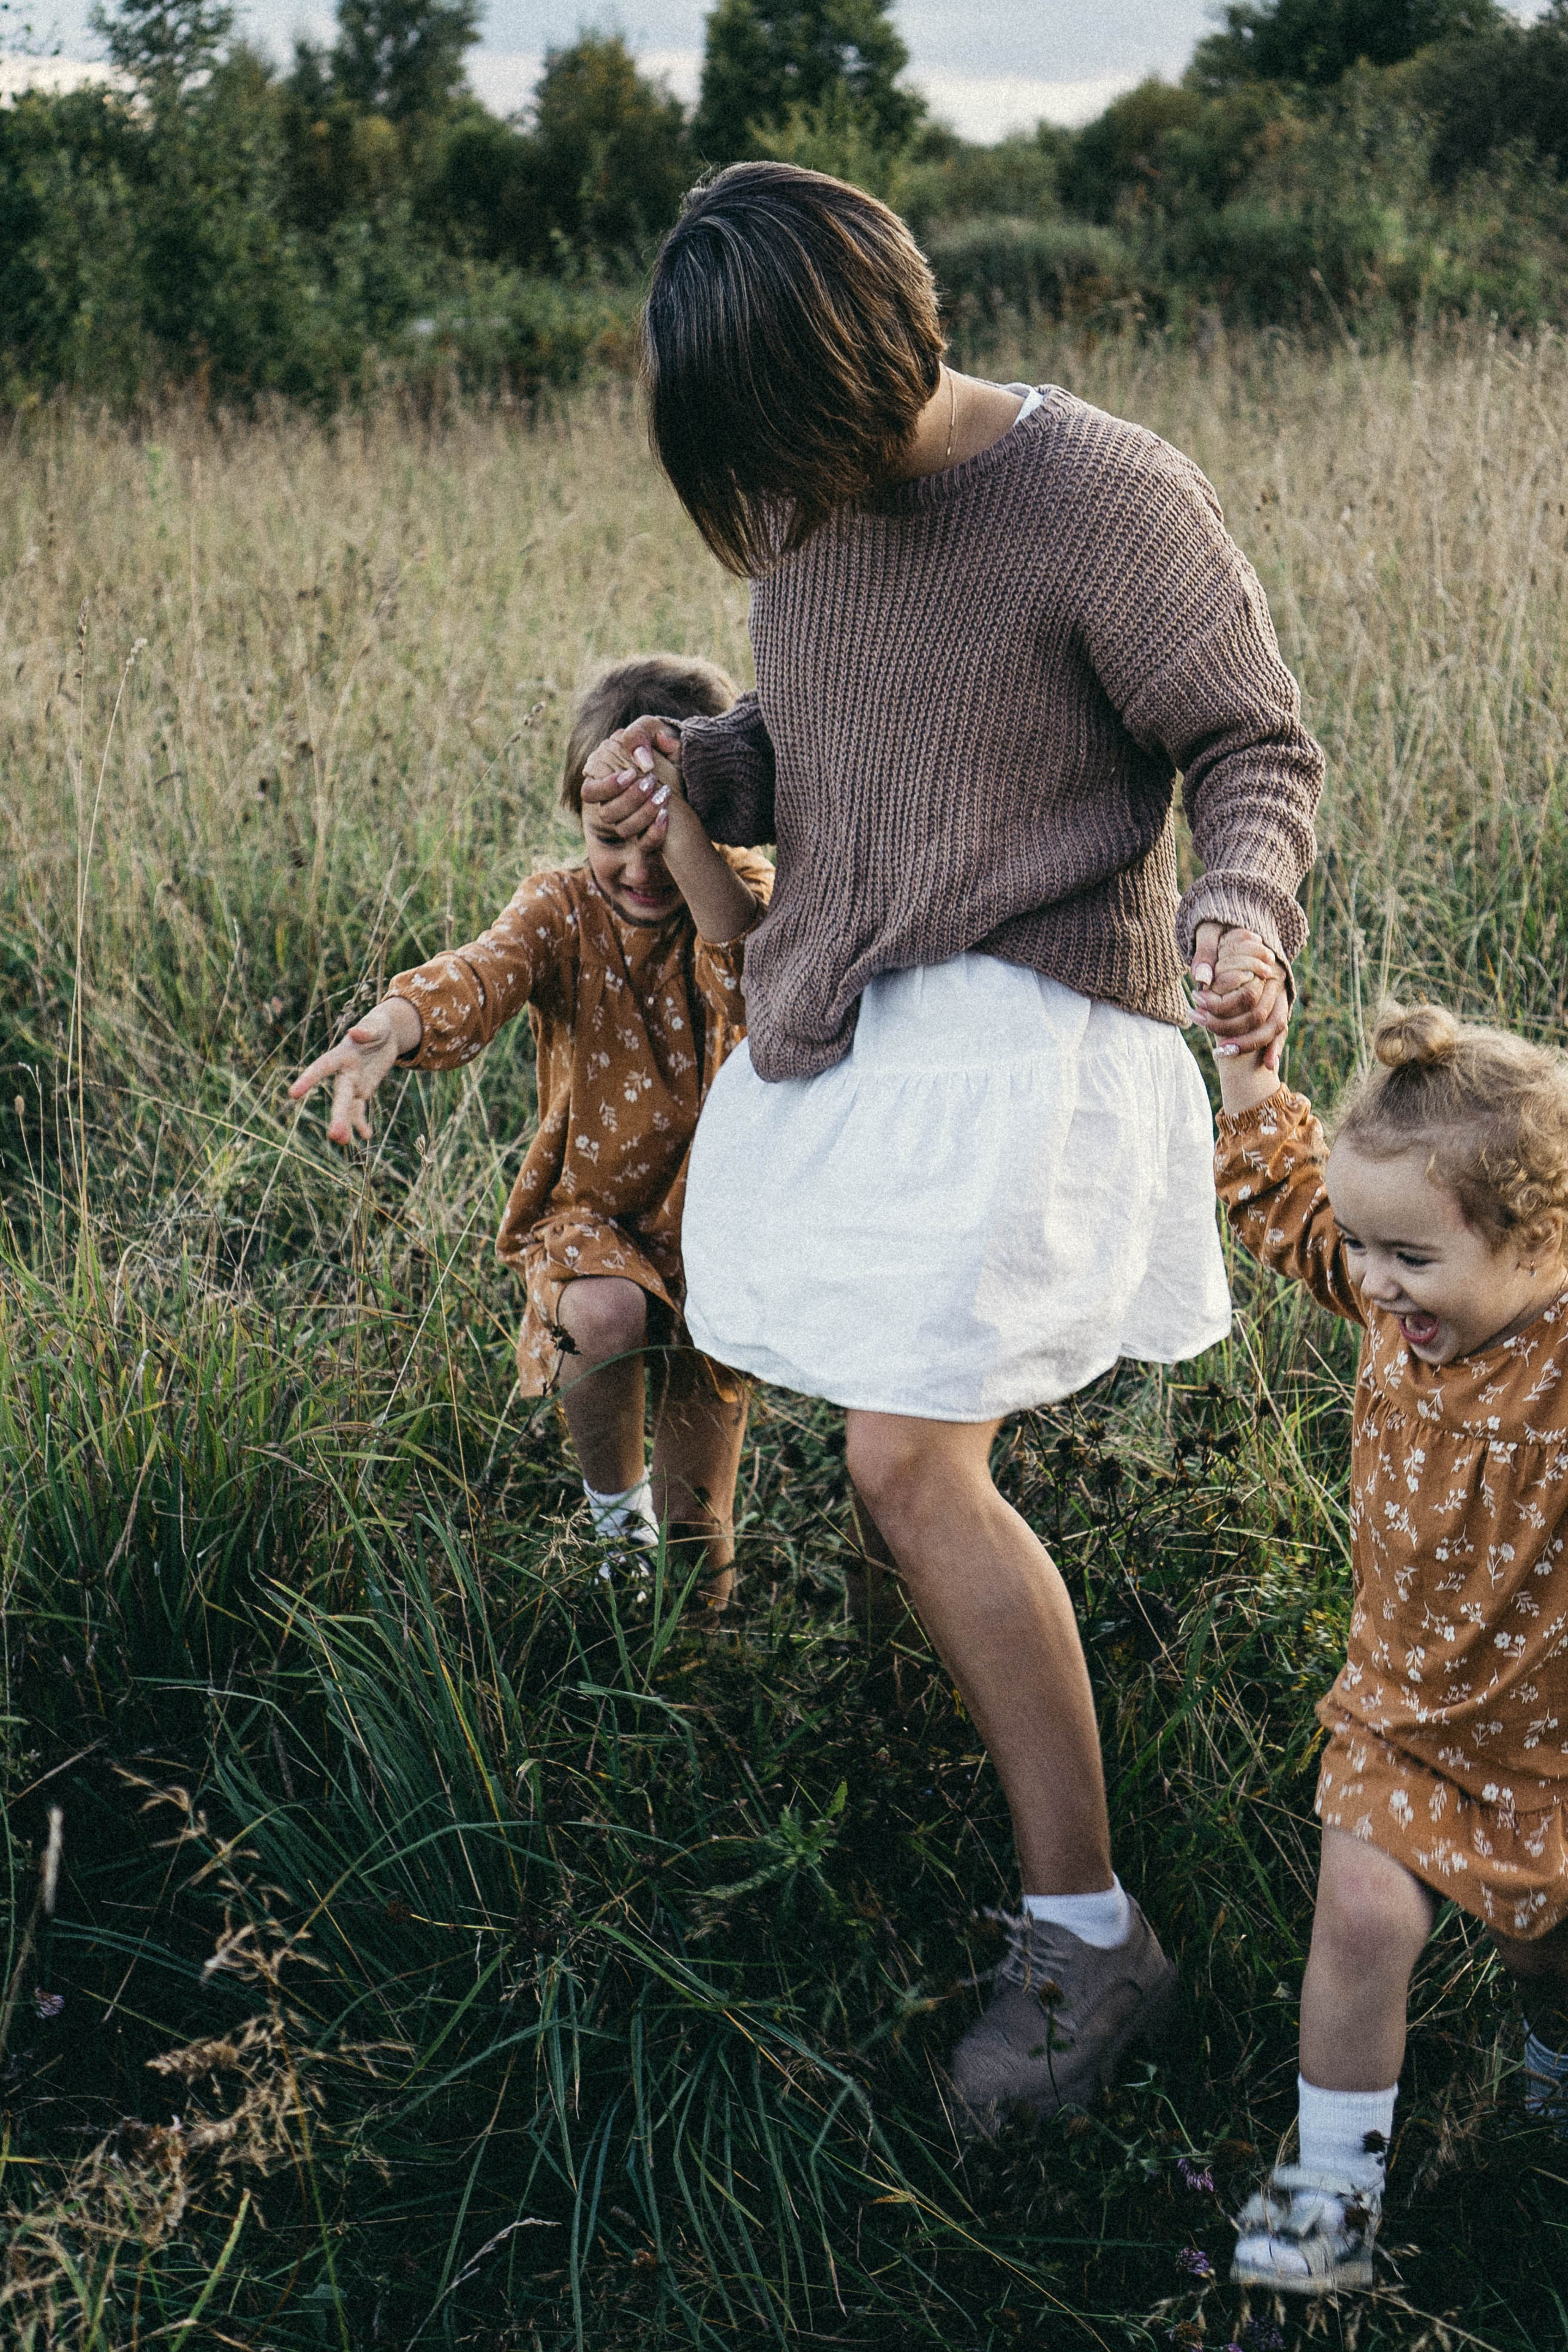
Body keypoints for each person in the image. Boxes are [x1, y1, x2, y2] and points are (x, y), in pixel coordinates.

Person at [581, 160, 1323, 2128]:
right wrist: (692, 765)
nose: (767, 497)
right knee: (876, 1437)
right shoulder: (809, 499)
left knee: (908, 1464)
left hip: (1034, 1025)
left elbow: (1252, 743)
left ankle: (1091, 1938)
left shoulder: (1103, 494)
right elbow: (813, 736)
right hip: (856, 1016)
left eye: (772, 445)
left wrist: (1242, 915)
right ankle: (911, 1737)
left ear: (856, 363)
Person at [1211, 989, 1568, 2293]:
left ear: (1539, 1241)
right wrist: (1247, 1070)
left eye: (1408, 1257)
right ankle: (1329, 2203)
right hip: (1400, 1714)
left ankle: (1552, 2054)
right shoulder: (1387, 1302)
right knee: (1359, 1918)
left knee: (1547, 1950)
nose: (1370, 1281)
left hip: (1551, 1744)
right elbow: (1283, 1200)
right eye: (1364, 1248)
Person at [290, 655, 774, 1607]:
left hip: (715, 1228)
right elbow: (482, 973)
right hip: (590, 1214)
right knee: (602, 1314)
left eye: (663, 839)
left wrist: (692, 838)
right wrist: (395, 1023)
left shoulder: (737, 894)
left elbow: (752, 977)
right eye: (611, 838)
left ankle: (693, 1648)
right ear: (577, 820)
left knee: (700, 1528)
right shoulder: (561, 908)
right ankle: (614, 1524)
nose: (640, 870)